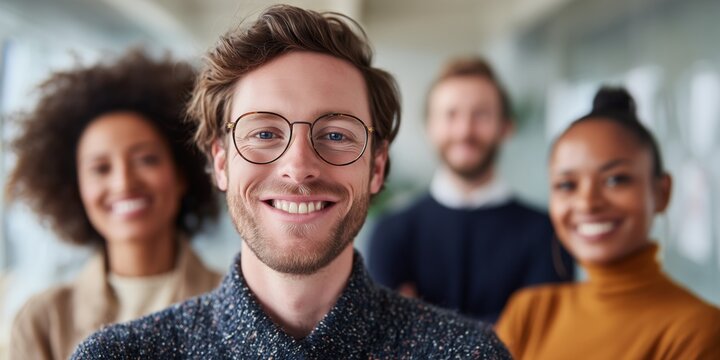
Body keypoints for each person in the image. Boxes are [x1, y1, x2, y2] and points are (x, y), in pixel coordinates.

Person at [71, 5, 511, 359]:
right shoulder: (118, 354)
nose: (298, 167)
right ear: (220, 161)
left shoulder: (468, 353)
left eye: (336, 135)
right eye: (264, 134)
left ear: (377, 168)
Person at [6, 50, 221, 360]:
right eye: (100, 168)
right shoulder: (43, 321)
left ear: (182, 174)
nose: (124, 183)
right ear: (75, 188)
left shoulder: (241, 305)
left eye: (145, 159)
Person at [495, 87, 720, 359]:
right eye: (567, 185)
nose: (587, 203)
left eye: (615, 179)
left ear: (662, 192)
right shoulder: (530, 312)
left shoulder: (698, 330)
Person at [368, 56, 574, 322]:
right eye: (451, 115)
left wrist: (422, 325)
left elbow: (543, 340)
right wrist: (506, 325)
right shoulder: (392, 232)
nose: (465, 130)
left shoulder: (549, 234)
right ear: (429, 128)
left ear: (506, 127)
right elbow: (382, 343)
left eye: (481, 114)